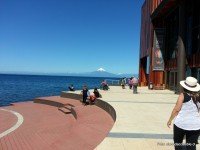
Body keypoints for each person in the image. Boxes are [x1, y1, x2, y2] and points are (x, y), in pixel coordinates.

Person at [167, 77, 200, 150]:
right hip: (195, 125)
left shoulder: (183, 95)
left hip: (181, 124)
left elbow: (176, 109)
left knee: (178, 143)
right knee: (191, 146)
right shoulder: (198, 96)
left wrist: (170, 120)